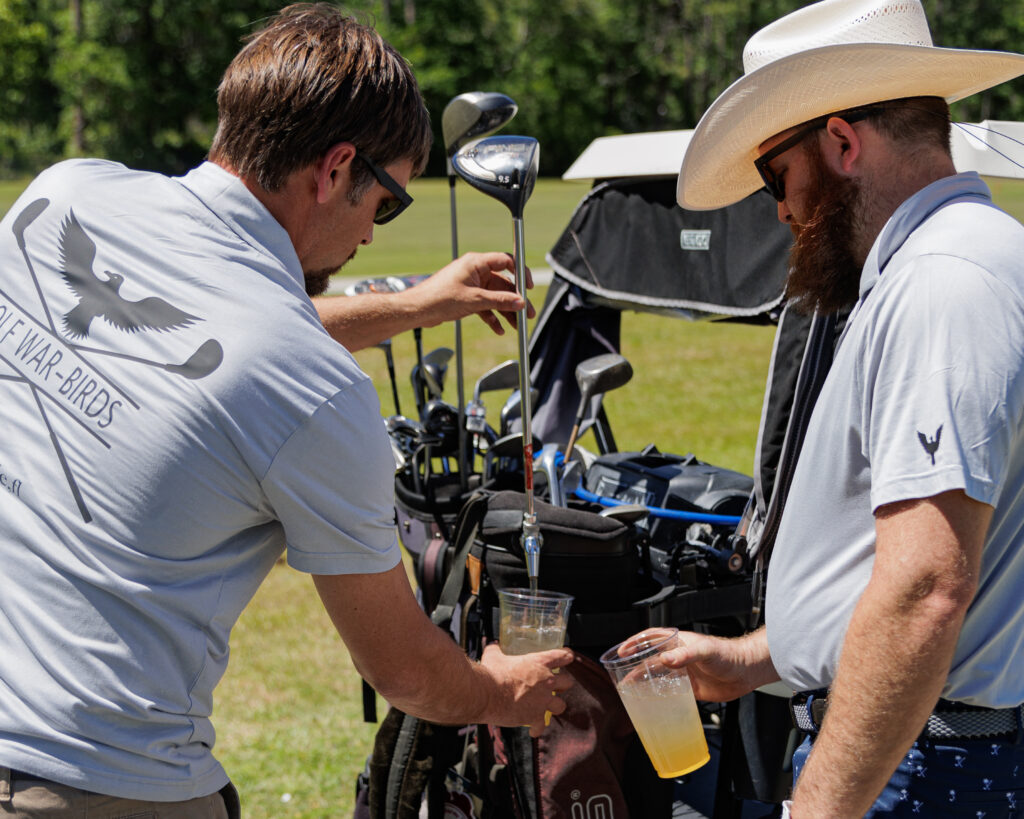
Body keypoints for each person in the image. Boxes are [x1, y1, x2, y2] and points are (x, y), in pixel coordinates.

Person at [0, 5, 571, 817]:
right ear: (338, 168)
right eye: (388, 202)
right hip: (102, 778)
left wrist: (413, 304)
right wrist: (498, 688)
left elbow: (201, 347)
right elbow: (403, 670)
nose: (374, 235)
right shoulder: (314, 391)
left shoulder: (61, 196)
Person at [664, 0, 1024, 816]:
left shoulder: (941, 283)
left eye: (775, 177)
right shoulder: (966, 257)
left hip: (920, 766)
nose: (783, 212)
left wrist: (818, 807)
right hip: (916, 746)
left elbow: (927, 586)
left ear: (841, 143)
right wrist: (757, 656)